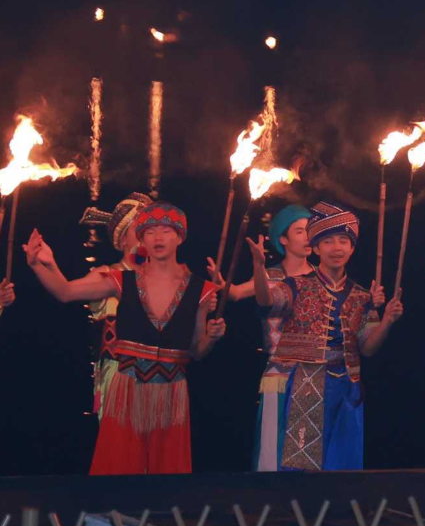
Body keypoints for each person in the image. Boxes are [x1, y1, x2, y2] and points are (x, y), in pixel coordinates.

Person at [24, 202, 225, 474]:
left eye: (166, 231)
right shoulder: (122, 280)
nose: (157, 238)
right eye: (149, 231)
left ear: (179, 236)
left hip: (172, 393)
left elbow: (196, 352)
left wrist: (211, 339)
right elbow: (65, 292)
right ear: (140, 239)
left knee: (166, 479)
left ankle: (159, 517)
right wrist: (42, 264)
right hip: (127, 390)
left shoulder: (201, 289)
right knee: (119, 471)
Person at [250, 201, 403, 471]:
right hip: (302, 382)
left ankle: (335, 512)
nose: (337, 248)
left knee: (341, 464)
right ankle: (293, 509)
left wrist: (388, 320)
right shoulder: (295, 286)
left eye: (344, 240)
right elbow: (266, 302)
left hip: (346, 386)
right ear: (316, 247)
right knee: (299, 464)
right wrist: (259, 268)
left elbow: (367, 348)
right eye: (328, 241)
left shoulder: (361, 296)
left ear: (352, 248)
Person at [206, 203, 316, 471]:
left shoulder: (321, 277)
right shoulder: (270, 277)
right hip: (278, 370)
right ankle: (272, 493)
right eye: (300, 231)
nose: (308, 237)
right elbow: (234, 293)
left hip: (314, 370)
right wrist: (221, 281)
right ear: (283, 239)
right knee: (273, 436)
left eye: (310, 230)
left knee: (309, 437)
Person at [78, 191, 153, 412]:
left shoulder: (165, 282)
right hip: (117, 379)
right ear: (122, 240)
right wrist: (46, 266)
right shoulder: (106, 275)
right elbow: (66, 291)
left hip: (158, 378)